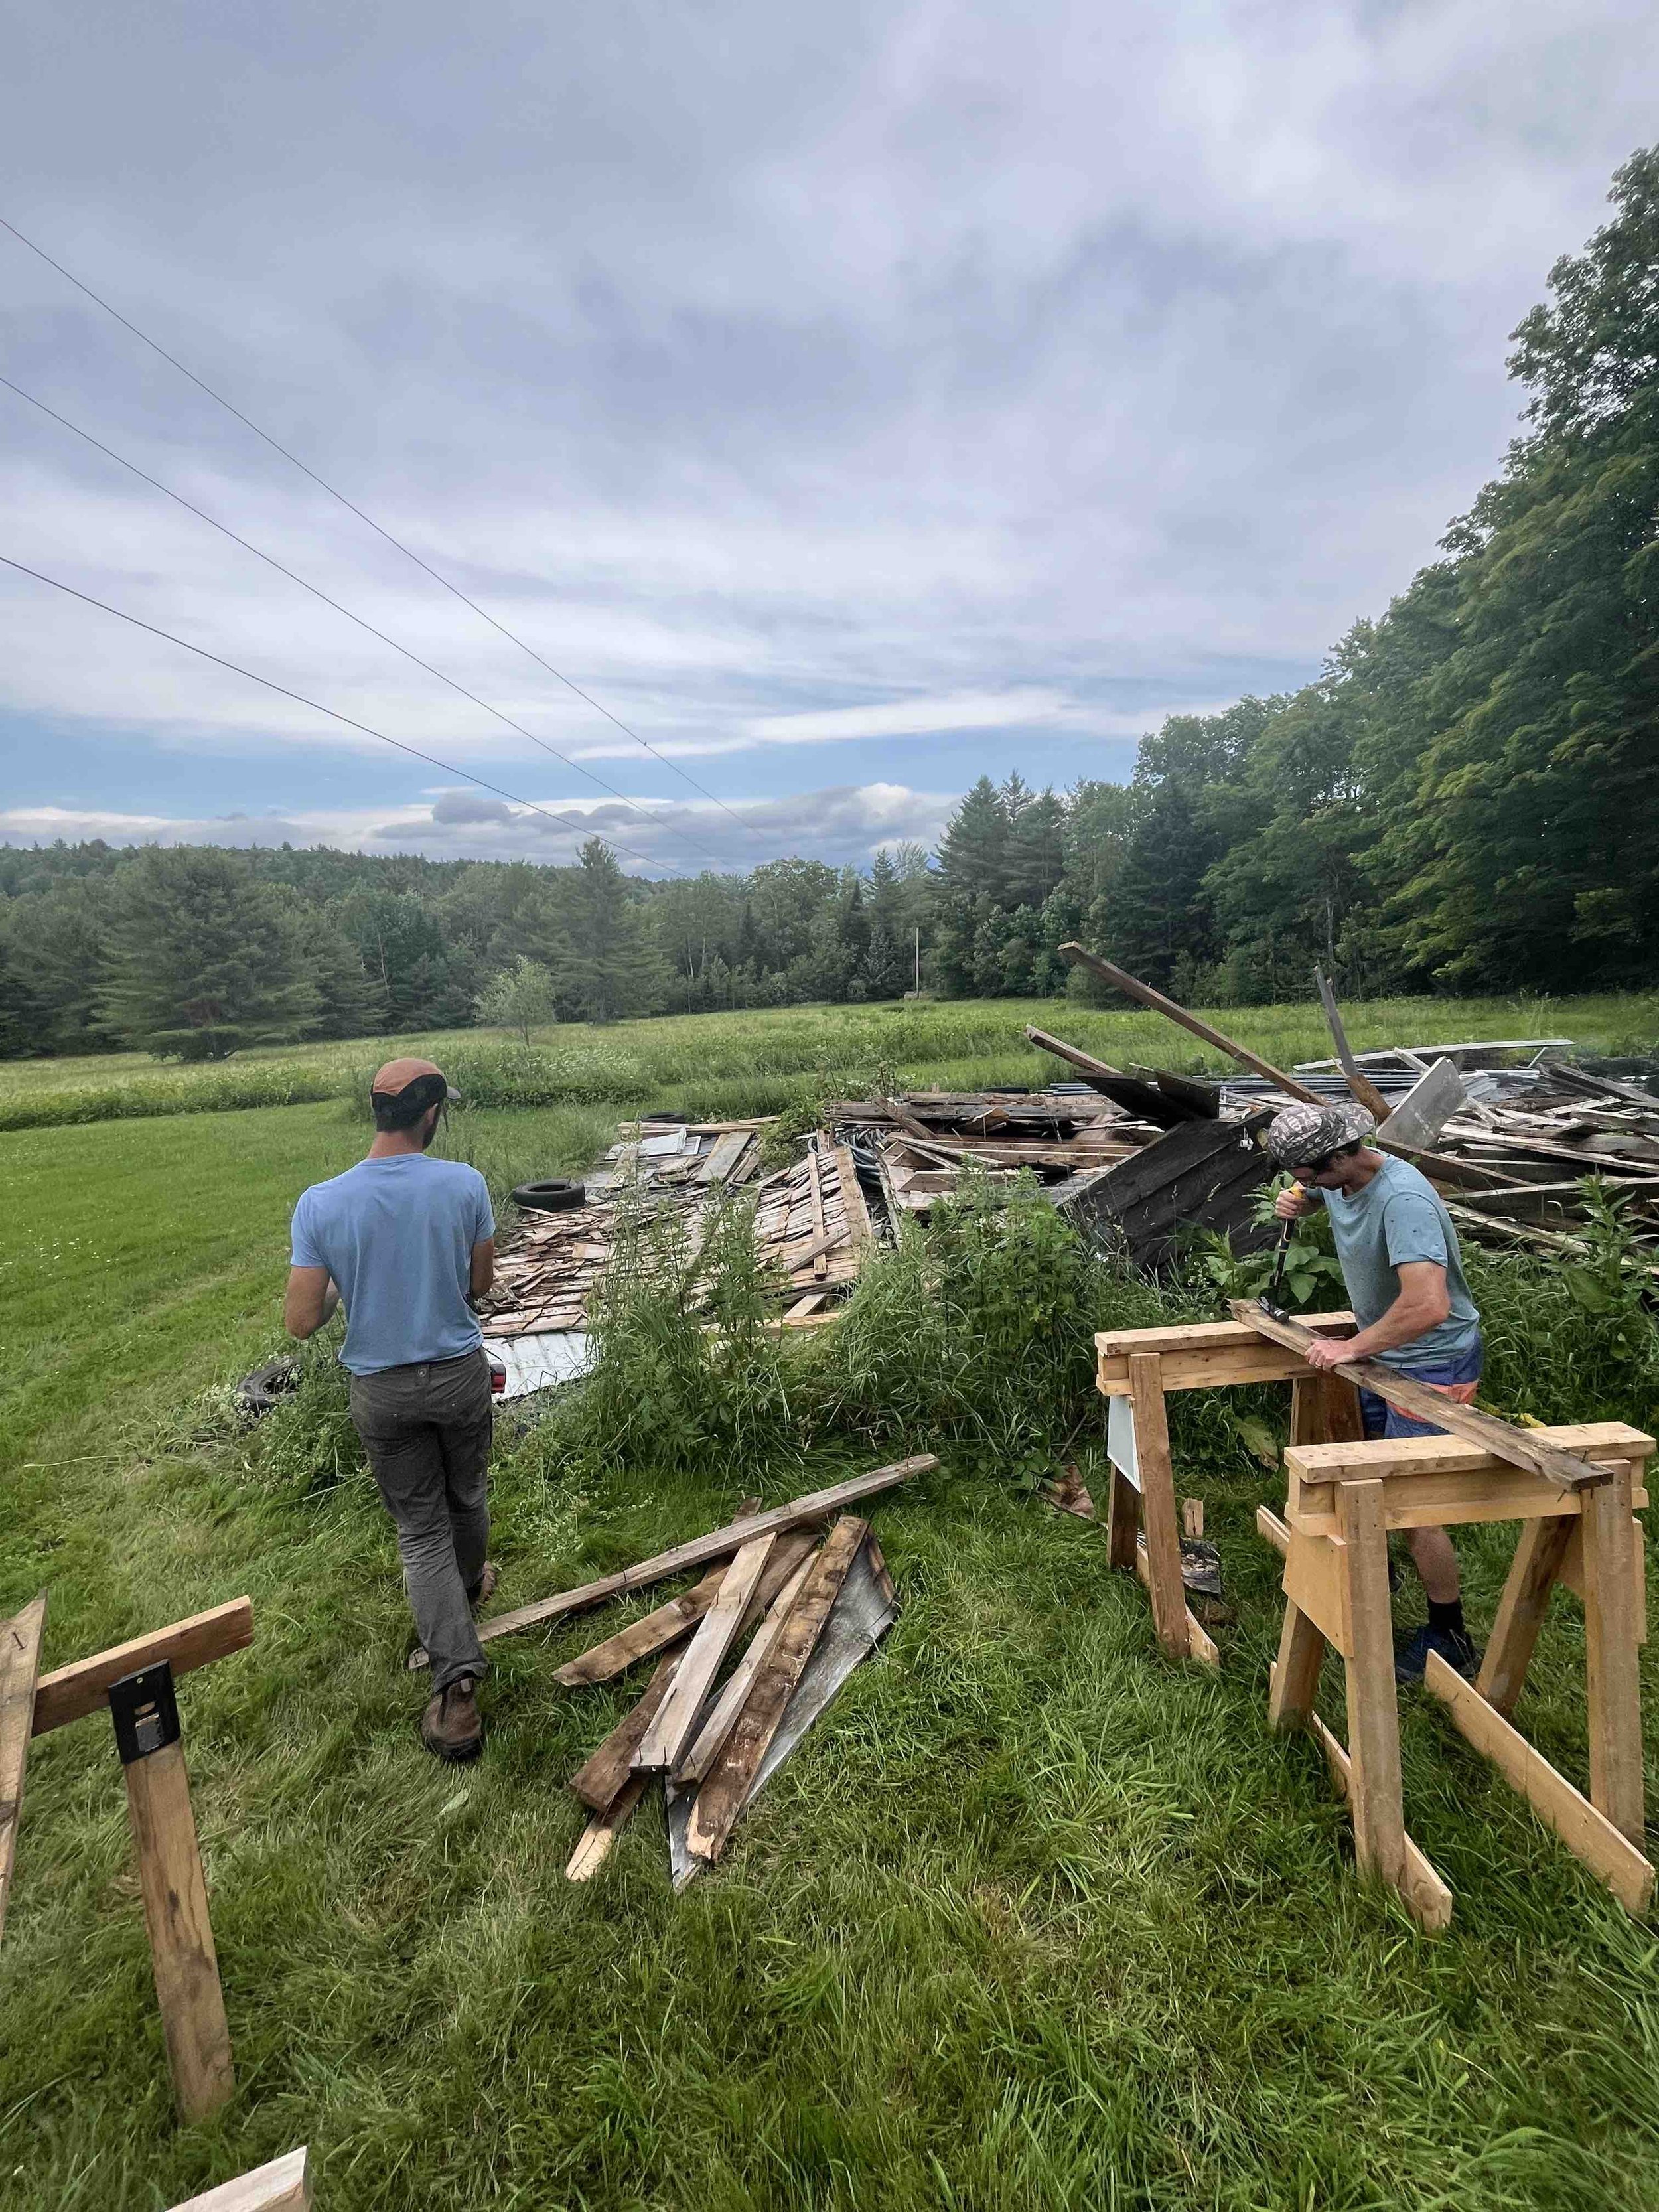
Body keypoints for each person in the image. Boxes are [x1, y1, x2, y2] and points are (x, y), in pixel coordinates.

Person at [284, 1057, 498, 1759]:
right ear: (430, 1113)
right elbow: (480, 1285)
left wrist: (353, 1283)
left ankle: (456, 1688)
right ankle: (467, 1591)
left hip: (382, 1390)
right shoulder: (464, 1184)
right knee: (465, 1492)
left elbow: (302, 1321)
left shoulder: (321, 1202)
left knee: (420, 1531)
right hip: (458, 1376)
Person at [1266, 1100, 1482, 1682]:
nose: (1306, 1183)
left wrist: (1351, 1347)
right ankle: (1374, 1568)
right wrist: (1302, 1200)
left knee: (1412, 1507)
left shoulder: (1404, 1201)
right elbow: (1318, 1189)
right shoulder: (1339, 1175)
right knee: (1367, 1475)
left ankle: (1450, 1632)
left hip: (1432, 1362)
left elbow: (1429, 1305)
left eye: (1312, 1174)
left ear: (1342, 1154)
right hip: (1385, 1352)